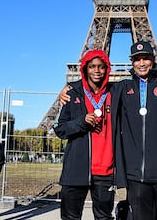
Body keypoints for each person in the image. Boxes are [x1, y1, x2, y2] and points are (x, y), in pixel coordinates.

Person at [59, 41, 157, 220]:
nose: (142, 63)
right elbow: (92, 86)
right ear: (132, 62)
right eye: (137, 59)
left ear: (153, 59)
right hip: (135, 174)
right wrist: (69, 89)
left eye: (146, 58)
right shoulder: (121, 88)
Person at [54, 49, 124, 220]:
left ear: (107, 68)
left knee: (104, 217)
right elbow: (60, 129)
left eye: (101, 66)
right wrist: (81, 122)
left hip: (105, 170)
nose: (97, 71)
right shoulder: (72, 92)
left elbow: (139, 81)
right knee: (70, 217)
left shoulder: (116, 92)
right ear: (84, 68)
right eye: (92, 66)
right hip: (76, 169)